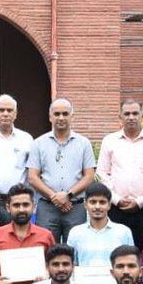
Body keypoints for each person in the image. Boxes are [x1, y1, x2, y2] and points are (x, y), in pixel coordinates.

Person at [96, 98, 143, 252]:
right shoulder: (109, 141)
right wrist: (117, 200)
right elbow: (102, 172)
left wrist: (140, 201)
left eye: (135, 113)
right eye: (126, 114)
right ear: (120, 117)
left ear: (142, 116)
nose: (131, 117)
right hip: (115, 209)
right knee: (116, 252)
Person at [26, 98, 96, 243]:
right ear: (50, 117)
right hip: (47, 206)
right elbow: (32, 177)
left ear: (72, 116)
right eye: (57, 114)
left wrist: (68, 195)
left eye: (65, 113)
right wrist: (55, 197)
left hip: (75, 206)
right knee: (46, 248)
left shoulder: (84, 143)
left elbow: (89, 176)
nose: (61, 118)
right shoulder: (38, 143)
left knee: (75, 249)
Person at [67, 182, 133, 267]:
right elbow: (72, 265)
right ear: (85, 204)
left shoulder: (123, 232)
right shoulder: (75, 233)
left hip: (113, 280)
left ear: (109, 205)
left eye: (102, 202)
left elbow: (130, 264)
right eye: (93, 202)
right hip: (84, 280)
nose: (97, 207)